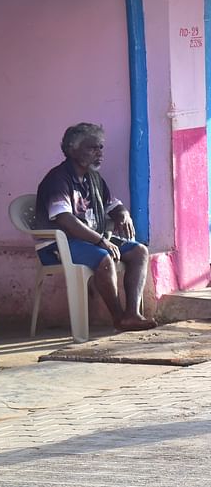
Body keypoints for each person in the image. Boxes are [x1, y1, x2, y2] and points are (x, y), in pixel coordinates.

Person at [35, 122, 157, 333]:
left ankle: (132, 314)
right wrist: (101, 241)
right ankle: (119, 318)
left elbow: (113, 205)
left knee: (139, 252)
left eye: (101, 147)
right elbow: (66, 220)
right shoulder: (58, 179)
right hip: (59, 244)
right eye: (92, 148)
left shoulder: (94, 178)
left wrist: (123, 215)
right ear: (72, 149)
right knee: (104, 257)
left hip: (88, 240)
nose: (99, 153)